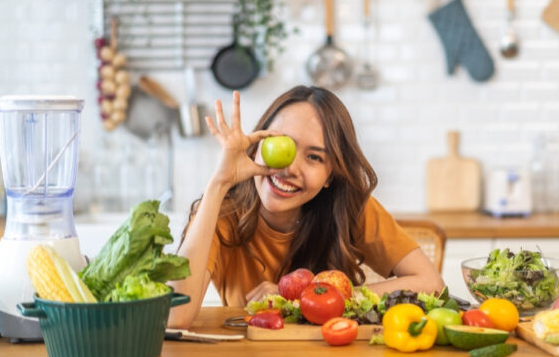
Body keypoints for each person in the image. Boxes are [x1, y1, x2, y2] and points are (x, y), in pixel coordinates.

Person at [168, 86, 444, 329]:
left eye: (314, 157)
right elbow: (174, 317)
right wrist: (219, 183)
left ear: (330, 176)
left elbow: (432, 284)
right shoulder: (221, 212)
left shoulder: (350, 208)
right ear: (256, 144)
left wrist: (305, 298)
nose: (289, 168)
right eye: (282, 143)